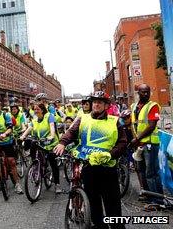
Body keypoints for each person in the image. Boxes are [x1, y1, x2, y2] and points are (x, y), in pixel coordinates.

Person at [54, 91, 127, 229]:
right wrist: (62, 142)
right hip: (88, 167)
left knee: (113, 207)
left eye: (100, 102)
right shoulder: (83, 119)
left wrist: (110, 155)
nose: (96, 104)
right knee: (93, 205)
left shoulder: (115, 121)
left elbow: (123, 143)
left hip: (107, 169)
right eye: (94, 102)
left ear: (106, 105)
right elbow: (71, 132)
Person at [130, 84, 163, 203]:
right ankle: (148, 196)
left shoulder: (153, 106)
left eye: (147, 92)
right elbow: (133, 125)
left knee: (152, 173)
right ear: (138, 93)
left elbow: (151, 126)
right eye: (143, 92)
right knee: (142, 171)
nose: (146, 94)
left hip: (150, 144)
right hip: (139, 145)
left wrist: (136, 139)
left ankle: (157, 201)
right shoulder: (134, 106)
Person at [20, 103, 62, 194]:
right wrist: (23, 136)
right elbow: (29, 128)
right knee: (33, 148)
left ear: (42, 110)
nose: (36, 111)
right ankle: (36, 166)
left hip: (50, 143)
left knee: (53, 162)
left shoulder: (49, 116)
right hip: (40, 143)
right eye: (34, 109)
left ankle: (57, 184)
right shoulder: (34, 120)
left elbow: (52, 126)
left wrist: (51, 135)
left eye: (38, 109)